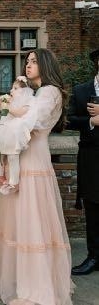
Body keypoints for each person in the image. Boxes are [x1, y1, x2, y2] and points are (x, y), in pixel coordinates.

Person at [0, 48, 73, 305]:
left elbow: (35, 120)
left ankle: (37, 285)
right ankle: (20, 277)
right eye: (26, 61)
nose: (28, 65)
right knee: (20, 218)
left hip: (35, 159)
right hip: (22, 155)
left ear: (45, 64)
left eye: (33, 61)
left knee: (34, 218)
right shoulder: (35, 92)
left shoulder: (50, 92)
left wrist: (8, 107)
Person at [67, 48, 99, 276]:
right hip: (91, 157)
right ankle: (93, 256)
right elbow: (68, 121)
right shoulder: (81, 91)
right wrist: (92, 121)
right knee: (93, 208)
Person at [0, 76, 36, 195]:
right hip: (2, 130)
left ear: (25, 91)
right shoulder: (11, 100)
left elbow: (19, 113)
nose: (11, 91)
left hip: (14, 132)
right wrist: (0, 105)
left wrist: (7, 106)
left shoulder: (28, 103)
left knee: (12, 156)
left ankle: (14, 182)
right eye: (12, 88)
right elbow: (1, 113)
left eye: (15, 88)